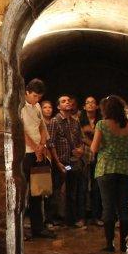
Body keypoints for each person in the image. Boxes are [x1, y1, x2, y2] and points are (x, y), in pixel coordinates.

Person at [90, 94, 128, 252]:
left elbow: (93, 148)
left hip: (106, 168)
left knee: (108, 207)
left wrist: (109, 149)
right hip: (127, 168)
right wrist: (126, 150)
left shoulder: (101, 125)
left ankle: (109, 244)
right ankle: (124, 244)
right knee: (125, 206)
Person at [21, 78, 56, 240]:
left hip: (39, 151)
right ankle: (21, 229)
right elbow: (21, 131)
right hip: (27, 153)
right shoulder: (21, 107)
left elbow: (42, 126)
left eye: (39, 97)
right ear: (27, 92)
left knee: (38, 191)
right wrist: (35, 148)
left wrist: (42, 145)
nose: (37, 99)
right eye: (35, 96)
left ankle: (38, 228)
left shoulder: (36, 107)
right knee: (24, 191)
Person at [50, 95, 87, 228]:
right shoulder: (55, 121)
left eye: (68, 101)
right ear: (59, 106)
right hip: (61, 162)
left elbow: (81, 139)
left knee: (73, 190)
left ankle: (71, 219)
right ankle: (52, 219)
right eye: (63, 101)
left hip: (73, 162)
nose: (67, 103)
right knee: (56, 190)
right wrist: (57, 162)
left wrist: (81, 150)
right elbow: (51, 143)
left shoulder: (75, 121)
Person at [79, 95, 102, 224]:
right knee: (82, 187)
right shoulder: (79, 120)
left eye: (93, 102)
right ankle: (82, 217)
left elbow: (103, 139)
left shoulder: (101, 122)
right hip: (84, 157)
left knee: (96, 187)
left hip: (98, 157)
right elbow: (80, 137)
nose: (90, 105)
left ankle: (96, 216)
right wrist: (92, 142)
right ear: (84, 106)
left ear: (97, 106)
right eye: (87, 103)